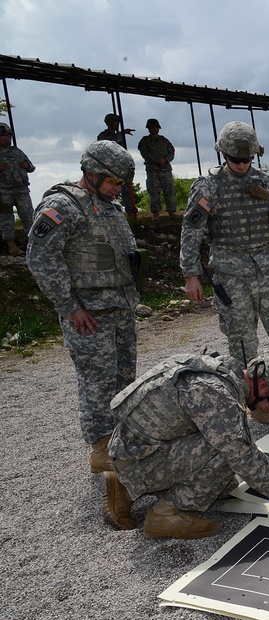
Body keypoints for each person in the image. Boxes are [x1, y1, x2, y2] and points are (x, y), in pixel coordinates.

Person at [180, 120, 269, 424]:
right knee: (243, 341)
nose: (242, 164)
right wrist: (191, 274)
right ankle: (258, 405)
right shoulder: (208, 187)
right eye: (236, 159)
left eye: (247, 159)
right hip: (231, 276)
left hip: (267, 270)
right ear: (222, 152)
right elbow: (191, 232)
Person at [105, 347, 269, 538]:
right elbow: (240, 455)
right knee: (226, 458)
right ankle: (165, 513)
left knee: (225, 484)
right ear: (263, 384)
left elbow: (241, 440)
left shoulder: (221, 372)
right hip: (138, 460)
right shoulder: (218, 394)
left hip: (134, 453)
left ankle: (124, 485)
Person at [26, 140, 140, 476]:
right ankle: (101, 449)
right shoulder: (62, 205)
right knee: (97, 382)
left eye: (121, 184)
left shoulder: (108, 204)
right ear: (91, 172)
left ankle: (120, 441)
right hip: (88, 313)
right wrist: (69, 306)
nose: (117, 189)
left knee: (123, 379)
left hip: (119, 307)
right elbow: (40, 257)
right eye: (113, 182)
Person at [0, 122, 34, 256]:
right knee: (6, 218)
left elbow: (31, 167)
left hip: (22, 190)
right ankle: (11, 246)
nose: (5, 139)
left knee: (28, 216)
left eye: (7, 136)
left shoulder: (17, 151)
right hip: (3, 191)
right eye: (2, 136)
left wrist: (26, 165)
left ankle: (33, 243)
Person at [137, 118, 178, 221]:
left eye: (155, 127)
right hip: (153, 170)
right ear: (148, 128)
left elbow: (171, 152)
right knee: (154, 192)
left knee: (169, 191)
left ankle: (172, 212)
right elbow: (145, 154)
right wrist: (157, 161)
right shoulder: (144, 141)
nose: (154, 129)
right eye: (152, 127)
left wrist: (166, 160)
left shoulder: (164, 140)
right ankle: (155, 214)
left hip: (166, 170)